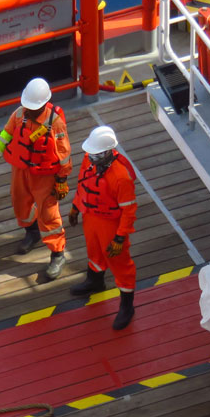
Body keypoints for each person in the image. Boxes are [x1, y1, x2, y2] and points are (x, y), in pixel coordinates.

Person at [0, 77, 70, 281]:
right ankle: (32, 231)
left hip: (45, 175)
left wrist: (62, 180)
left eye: (33, 107)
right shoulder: (18, 115)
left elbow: (64, 153)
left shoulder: (55, 123)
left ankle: (57, 254)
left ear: (44, 104)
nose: (29, 110)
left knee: (49, 214)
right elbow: (4, 138)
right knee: (20, 203)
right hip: (21, 170)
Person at [68, 125, 137, 330]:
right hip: (91, 217)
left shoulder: (121, 177)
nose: (89, 157)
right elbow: (83, 186)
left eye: (95, 154)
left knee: (119, 261)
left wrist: (119, 237)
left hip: (111, 223)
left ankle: (127, 306)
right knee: (94, 251)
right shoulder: (89, 161)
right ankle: (95, 281)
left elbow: (129, 211)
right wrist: (75, 207)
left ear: (107, 153)